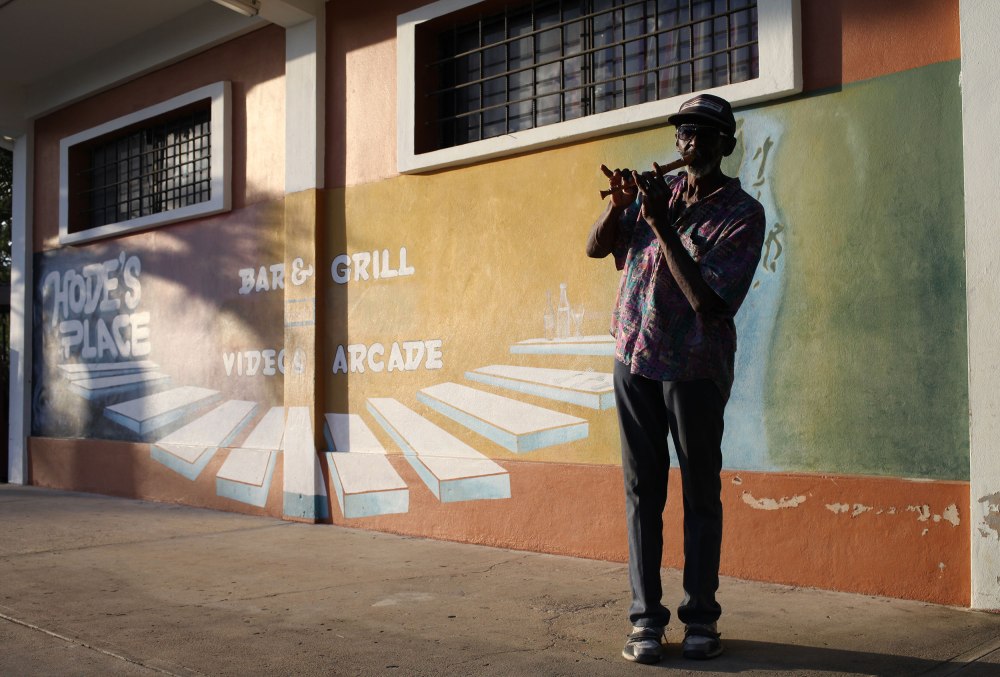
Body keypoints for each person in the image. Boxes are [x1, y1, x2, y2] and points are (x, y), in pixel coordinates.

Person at [586, 93, 766, 664]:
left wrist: (663, 224)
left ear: (724, 143)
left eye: (702, 131)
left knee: (699, 492)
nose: (689, 139)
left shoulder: (742, 214)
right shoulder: (652, 199)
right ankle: (645, 621)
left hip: (693, 368)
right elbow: (596, 248)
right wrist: (619, 207)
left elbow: (710, 303)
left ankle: (701, 619)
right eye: (683, 130)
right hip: (634, 359)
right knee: (642, 492)